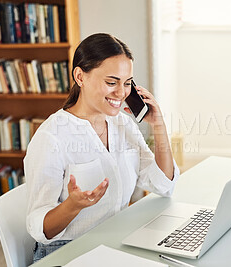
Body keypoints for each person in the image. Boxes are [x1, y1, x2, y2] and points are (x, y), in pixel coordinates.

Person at [24, 33, 180, 262]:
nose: (121, 93)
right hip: (67, 252)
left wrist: (159, 125)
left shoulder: (123, 123)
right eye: (111, 82)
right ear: (80, 76)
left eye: (127, 83)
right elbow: (40, 228)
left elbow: (163, 184)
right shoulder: (51, 137)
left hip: (115, 241)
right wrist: (72, 206)